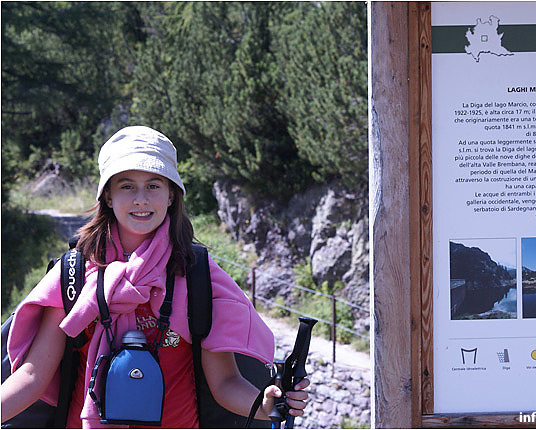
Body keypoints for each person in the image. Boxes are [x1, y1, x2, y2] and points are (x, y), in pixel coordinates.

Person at [1, 126, 309, 428]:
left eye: (153, 185)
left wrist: (267, 405)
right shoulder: (75, 275)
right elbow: (32, 378)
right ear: (107, 196)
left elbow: (225, 382)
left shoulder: (196, 274)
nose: (140, 199)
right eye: (126, 186)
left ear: (172, 195)